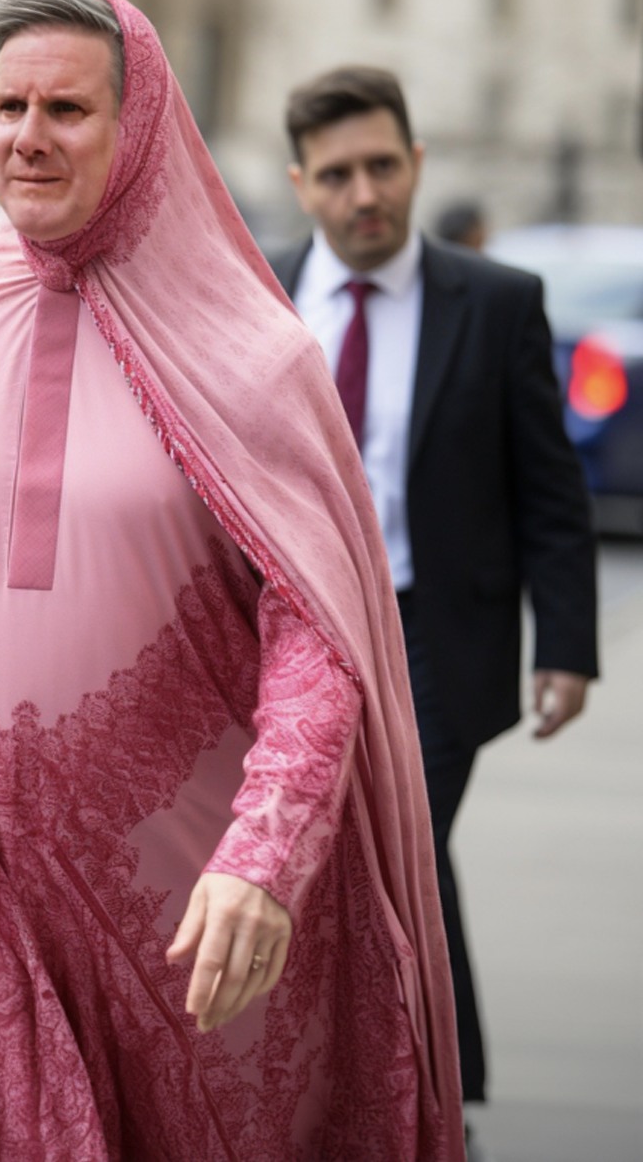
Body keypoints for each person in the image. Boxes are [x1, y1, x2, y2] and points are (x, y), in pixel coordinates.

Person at [0, 0, 465, 1161]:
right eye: (7, 106)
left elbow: (316, 636)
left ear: (139, 127)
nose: (28, 137)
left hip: (180, 903)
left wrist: (267, 855)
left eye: (66, 110)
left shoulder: (253, 358)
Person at [272, 66, 598, 1125]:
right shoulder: (255, 293)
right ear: (301, 185)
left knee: (389, 840)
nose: (364, 194)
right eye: (337, 175)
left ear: (415, 164)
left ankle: (423, 1095)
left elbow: (549, 485)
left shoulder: (497, 303)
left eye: (382, 166)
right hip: (287, 635)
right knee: (353, 858)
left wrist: (567, 644)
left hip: (433, 637)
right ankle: (413, 1087)